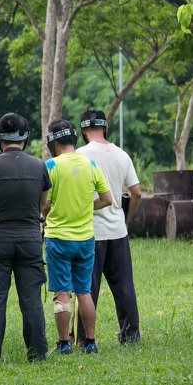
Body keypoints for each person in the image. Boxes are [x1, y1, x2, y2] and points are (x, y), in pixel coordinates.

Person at [0, 113, 51, 363]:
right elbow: (44, 204)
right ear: (25, 139)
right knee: (31, 300)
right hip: (29, 240)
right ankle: (37, 354)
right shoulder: (40, 166)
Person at [42, 120, 112, 354]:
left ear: (53, 141)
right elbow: (107, 198)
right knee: (84, 292)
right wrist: (85, 207)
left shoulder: (50, 166)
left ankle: (63, 344)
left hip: (58, 239)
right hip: (85, 239)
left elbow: (45, 205)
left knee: (62, 294)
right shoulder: (90, 164)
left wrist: (46, 214)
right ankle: (90, 342)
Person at [77, 109, 142, 344]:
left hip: (89, 233)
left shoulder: (79, 155)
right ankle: (130, 334)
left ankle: (84, 337)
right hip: (117, 231)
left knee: (87, 289)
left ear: (84, 131)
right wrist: (126, 219)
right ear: (105, 128)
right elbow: (136, 192)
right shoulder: (122, 155)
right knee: (124, 287)